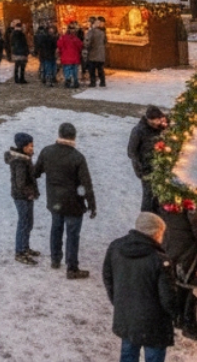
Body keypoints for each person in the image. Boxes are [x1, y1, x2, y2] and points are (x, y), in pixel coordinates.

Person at [103, 212, 176, 362]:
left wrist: (118, 301)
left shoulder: (115, 247)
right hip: (155, 324)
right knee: (153, 357)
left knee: (128, 354)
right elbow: (168, 298)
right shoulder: (160, 260)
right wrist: (177, 315)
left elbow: (108, 277)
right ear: (156, 233)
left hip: (127, 317)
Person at [34, 121, 96, 279]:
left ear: (59, 134)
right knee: (73, 234)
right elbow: (86, 184)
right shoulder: (77, 157)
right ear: (74, 137)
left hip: (55, 201)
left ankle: (55, 259)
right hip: (74, 203)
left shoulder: (47, 151)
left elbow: (35, 172)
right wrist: (91, 204)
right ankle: (72, 268)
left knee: (56, 229)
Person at [158, 203, 197, 338]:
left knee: (179, 283)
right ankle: (188, 323)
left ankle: (178, 319)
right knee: (190, 286)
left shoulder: (167, 202)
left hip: (171, 248)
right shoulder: (191, 208)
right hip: (187, 252)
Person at [5, 131, 41, 264]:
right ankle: (20, 251)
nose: (32, 148)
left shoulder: (25, 158)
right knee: (24, 223)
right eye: (30, 146)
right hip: (22, 197)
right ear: (23, 147)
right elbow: (21, 183)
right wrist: (30, 193)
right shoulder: (20, 162)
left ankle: (25, 247)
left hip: (25, 197)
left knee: (28, 223)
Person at [129, 106, 168, 213]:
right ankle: (145, 218)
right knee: (148, 194)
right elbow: (131, 152)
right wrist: (140, 168)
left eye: (159, 120)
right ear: (148, 119)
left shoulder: (162, 125)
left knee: (158, 191)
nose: (157, 124)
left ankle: (156, 213)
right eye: (154, 122)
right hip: (145, 168)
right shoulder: (138, 131)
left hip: (160, 165)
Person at [57, 23, 84, 89]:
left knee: (67, 70)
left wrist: (61, 53)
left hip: (66, 58)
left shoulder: (63, 38)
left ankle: (68, 80)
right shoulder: (76, 39)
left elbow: (59, 45)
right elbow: (80, 46)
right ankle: (75, 82)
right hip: (75, 57)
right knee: (75, 71)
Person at [84, 16, 108, 88]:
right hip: (101, 53)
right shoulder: (102, 32)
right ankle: (102, 82)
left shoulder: (91, 32)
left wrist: (85, 46)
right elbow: (105, 41)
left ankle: (93, 82)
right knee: (100, 69)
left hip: (93, 53)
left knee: (92, 69)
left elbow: (87, 41)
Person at [37, 23, 59, 87]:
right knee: (48, 68)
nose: (52, 30)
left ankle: (49, 79)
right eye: (51, 29)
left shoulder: (52, 37)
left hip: (49, 55)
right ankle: (48, 80)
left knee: (51, 68)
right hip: (47, 55)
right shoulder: (46, 37)